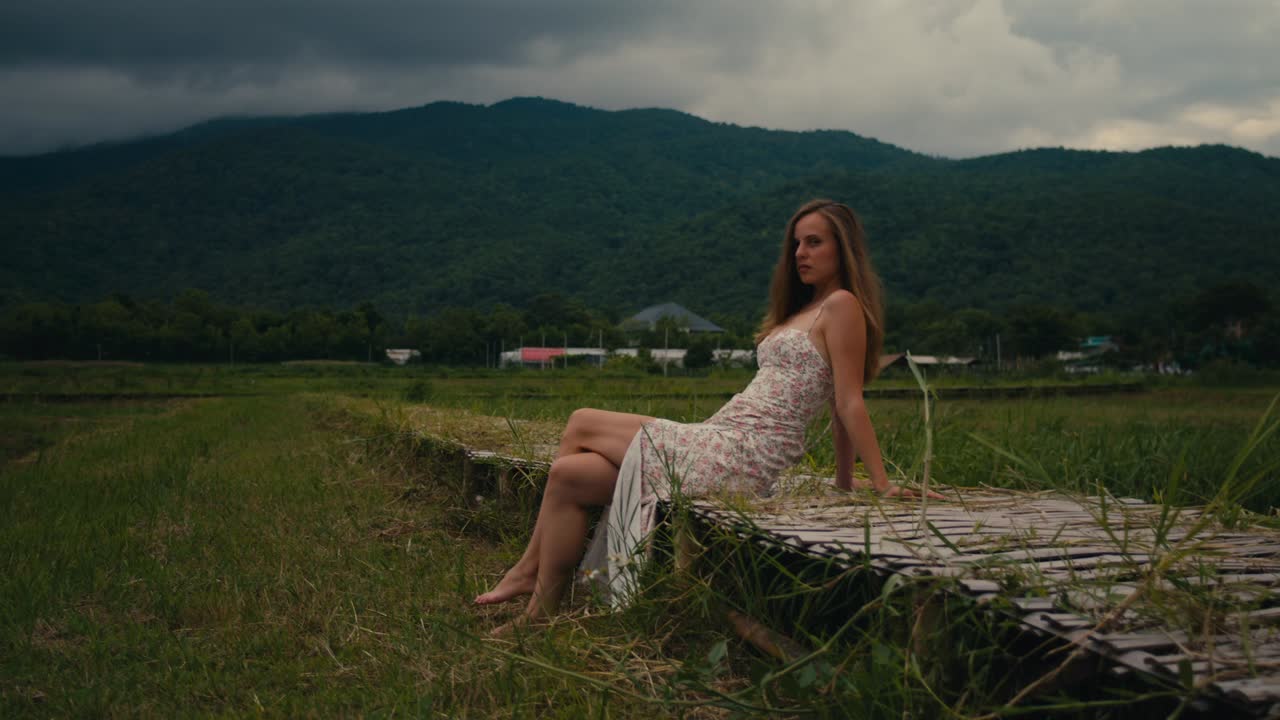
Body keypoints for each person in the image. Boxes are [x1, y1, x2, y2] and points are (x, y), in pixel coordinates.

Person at [475, 199, 935, 630]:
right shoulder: (803, 310)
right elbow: (837, 406)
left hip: (747, 454)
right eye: (796, 242)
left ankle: (525, 571)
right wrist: (840, 482)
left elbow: (847, 402)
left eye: (814, 242)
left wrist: (879, 483)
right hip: (723, 435)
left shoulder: (843, 306)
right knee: (569, 473)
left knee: (581, 420)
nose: (800, 253)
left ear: (845, 248)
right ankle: (542, 610)